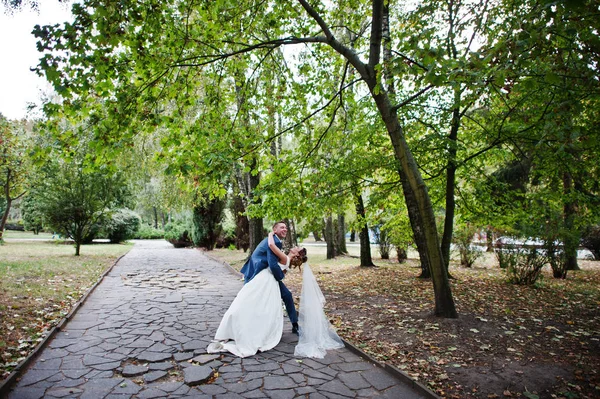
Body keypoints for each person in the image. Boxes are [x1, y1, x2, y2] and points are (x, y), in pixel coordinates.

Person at [206, 222, 301, 358]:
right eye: (282, 227)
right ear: (275, 230)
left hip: (265, 275)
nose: (285, 229)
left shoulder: (274, 241)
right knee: (249, 301)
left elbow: (277, 262)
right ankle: (243, 329)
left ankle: (294, 324)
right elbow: (273, 264)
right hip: (262, 274)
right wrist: (279, 277)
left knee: (280, 296)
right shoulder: (274, 241)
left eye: (286, 227)